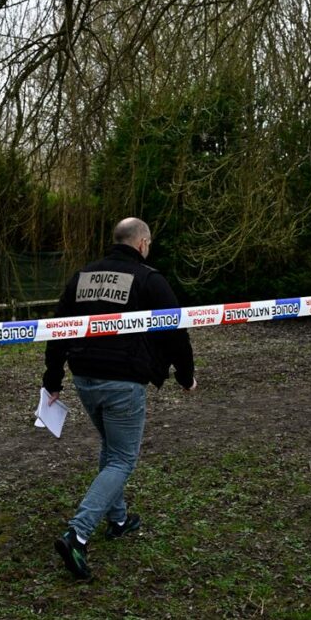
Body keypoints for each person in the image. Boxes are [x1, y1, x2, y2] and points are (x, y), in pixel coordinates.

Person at [43, 217, 197, 580]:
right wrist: (186, 376)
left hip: (83, 378)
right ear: (142, 243)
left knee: (111, 450)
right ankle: (77, 535)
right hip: (124, 383)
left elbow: (56, 330)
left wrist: (53, 379)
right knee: (123, 459)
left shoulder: (82, 277)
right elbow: (175, 329)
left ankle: (119, 519)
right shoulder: (148, 278)